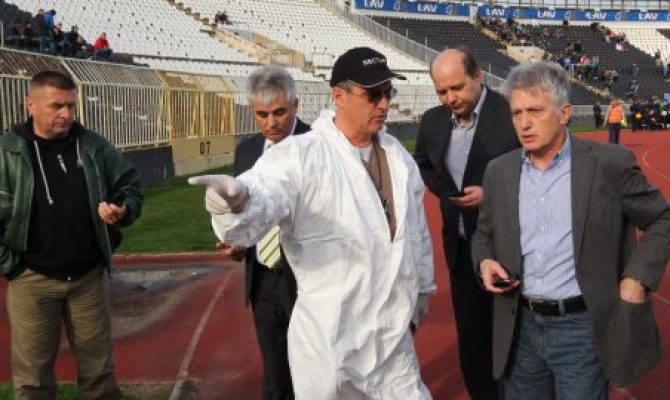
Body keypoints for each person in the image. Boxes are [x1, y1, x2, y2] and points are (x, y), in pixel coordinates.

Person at [190, 47, 436, 399]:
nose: (383, 104)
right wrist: (239, 202)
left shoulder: (398, 157)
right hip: (332, 339)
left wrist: (422, 288)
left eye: (388, 93)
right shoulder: (302, 154)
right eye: (372, 95)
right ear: (339, 96)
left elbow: (417, 232)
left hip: (392, 337)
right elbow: (268, 190)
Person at [471, 61, 670, 399]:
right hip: (519, 327)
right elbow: (483, 235)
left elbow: (662, 218)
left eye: (535, 111)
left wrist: (637, 279)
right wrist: (484, 261)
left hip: (581, 329)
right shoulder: (498, 171)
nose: (524, 123)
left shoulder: (609, 163)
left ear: (564, 113)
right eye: (517, 113)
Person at [1, 71, 142, 399]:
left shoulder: (93, 145)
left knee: (99, 375)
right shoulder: (7, 152)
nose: (66, 114)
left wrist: (122, 209)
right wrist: (12, 266)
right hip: (31, 280)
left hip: (87, 277)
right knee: (33, 381)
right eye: (56, 106)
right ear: (30, 104)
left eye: (71, 106)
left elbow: (129, 185)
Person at [414, 47, 520, 400]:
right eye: (441, 91)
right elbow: (423, 161)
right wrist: (447, 192)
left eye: (457, 87)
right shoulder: (432, 121)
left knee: (514, 341)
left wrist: (491, 193)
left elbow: (537, 167)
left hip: (509, 250)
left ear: (478, 76)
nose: (450, 98)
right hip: (460, 251)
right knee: (473, 343)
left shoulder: (511, 113)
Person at [223, 64, 311, 400]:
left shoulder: (318, 146)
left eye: (279, 112)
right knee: (275, 376)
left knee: (315, 373)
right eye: (262, 114)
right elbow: (245, 214)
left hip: (308, 279)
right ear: (252, 111)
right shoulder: (246, 151)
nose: (271, 122)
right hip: (262, 278)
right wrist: (238, 242)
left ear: (296, 105)